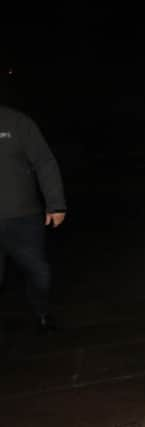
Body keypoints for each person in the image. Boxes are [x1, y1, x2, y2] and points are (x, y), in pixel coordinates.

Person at [0, 106, 66, 334]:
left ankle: (42, 313)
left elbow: (44, 161)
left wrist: (55, 203)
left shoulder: (17, 122)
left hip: (24, 218)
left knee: (39, 272)